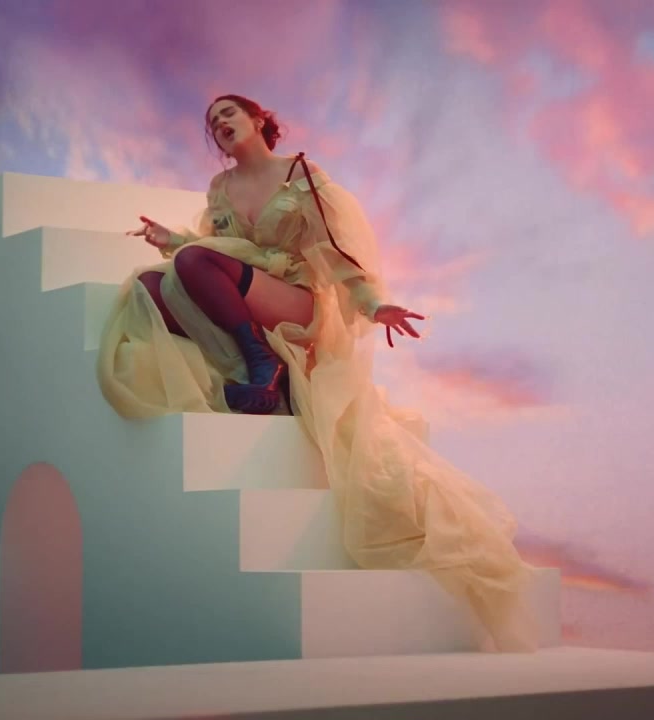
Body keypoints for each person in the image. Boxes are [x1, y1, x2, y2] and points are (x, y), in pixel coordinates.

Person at [97, 94, 538, 651]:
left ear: (259, 120)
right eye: (212, 122)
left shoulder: (301, 175)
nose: (220, 123)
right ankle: (259, 365)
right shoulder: (219, 190)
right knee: (151, 285)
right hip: (245, 293)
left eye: (229, 113)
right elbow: (219, 253)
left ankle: (261, 363)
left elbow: (335, 251)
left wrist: (374, 305)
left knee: (188, 265)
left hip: (296, 300)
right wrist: (174, 240)